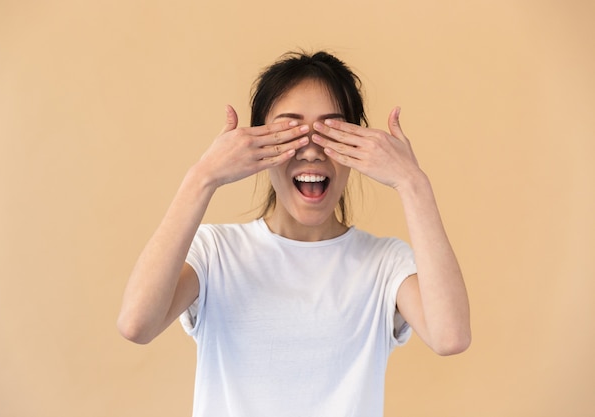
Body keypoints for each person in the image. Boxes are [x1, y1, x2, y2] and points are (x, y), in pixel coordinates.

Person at [117, 50, 471, 417]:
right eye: (290, 131)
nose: (313, 151)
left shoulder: (384, 264)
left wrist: (412, 183)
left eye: (332, 131)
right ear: (257, 146)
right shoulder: (216, 252)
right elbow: (136, 324)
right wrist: (202, 178)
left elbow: (451, 337)